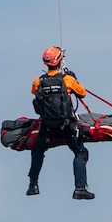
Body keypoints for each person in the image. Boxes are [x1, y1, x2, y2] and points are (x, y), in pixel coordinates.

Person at [27, 46, 95, 200]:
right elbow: (82, 93)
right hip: (66, 126)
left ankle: (33, 185)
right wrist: (72, 78)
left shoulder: (38, 81)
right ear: (60, 60)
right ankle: (80, 188)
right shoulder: (67, 80)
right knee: (80, 152)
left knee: (37, 151)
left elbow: (33, 92)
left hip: (47, 126)